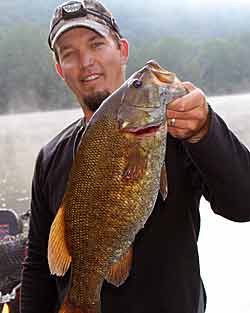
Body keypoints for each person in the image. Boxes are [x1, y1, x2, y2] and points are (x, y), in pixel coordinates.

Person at [20, 0, 250, 312]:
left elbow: (243, 203)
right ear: (61, 70)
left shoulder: (180, 132)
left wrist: (206, 131)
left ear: (122, 50)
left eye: (96, 44)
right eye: (69, 54)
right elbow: (38, 268)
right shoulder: (50, 157)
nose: (86, 61)